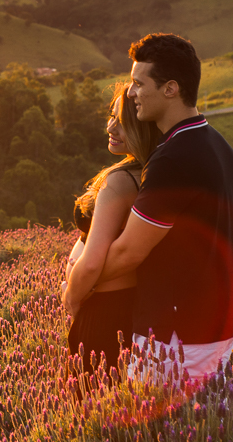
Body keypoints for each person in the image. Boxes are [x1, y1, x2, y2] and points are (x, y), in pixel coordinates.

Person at [94, 33, 233, 388]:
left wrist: (84, 280)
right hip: (213, 324)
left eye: (138, 83)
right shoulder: (216, 144)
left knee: (150, 438)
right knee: (196, 432)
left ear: (170, 89)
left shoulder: (175, 158)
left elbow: (130, 251)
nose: (131, 93)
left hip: (175, 333)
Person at [61, 83, 160, 377]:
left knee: (88, 404)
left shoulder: (121, 182)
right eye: (111, 117)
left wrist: (72, 297)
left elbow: (91, 263)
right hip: (127, 305)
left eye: (123, 121)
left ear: (144, 127)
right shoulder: (149, 173)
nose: (111, 127)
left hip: (102, 308)